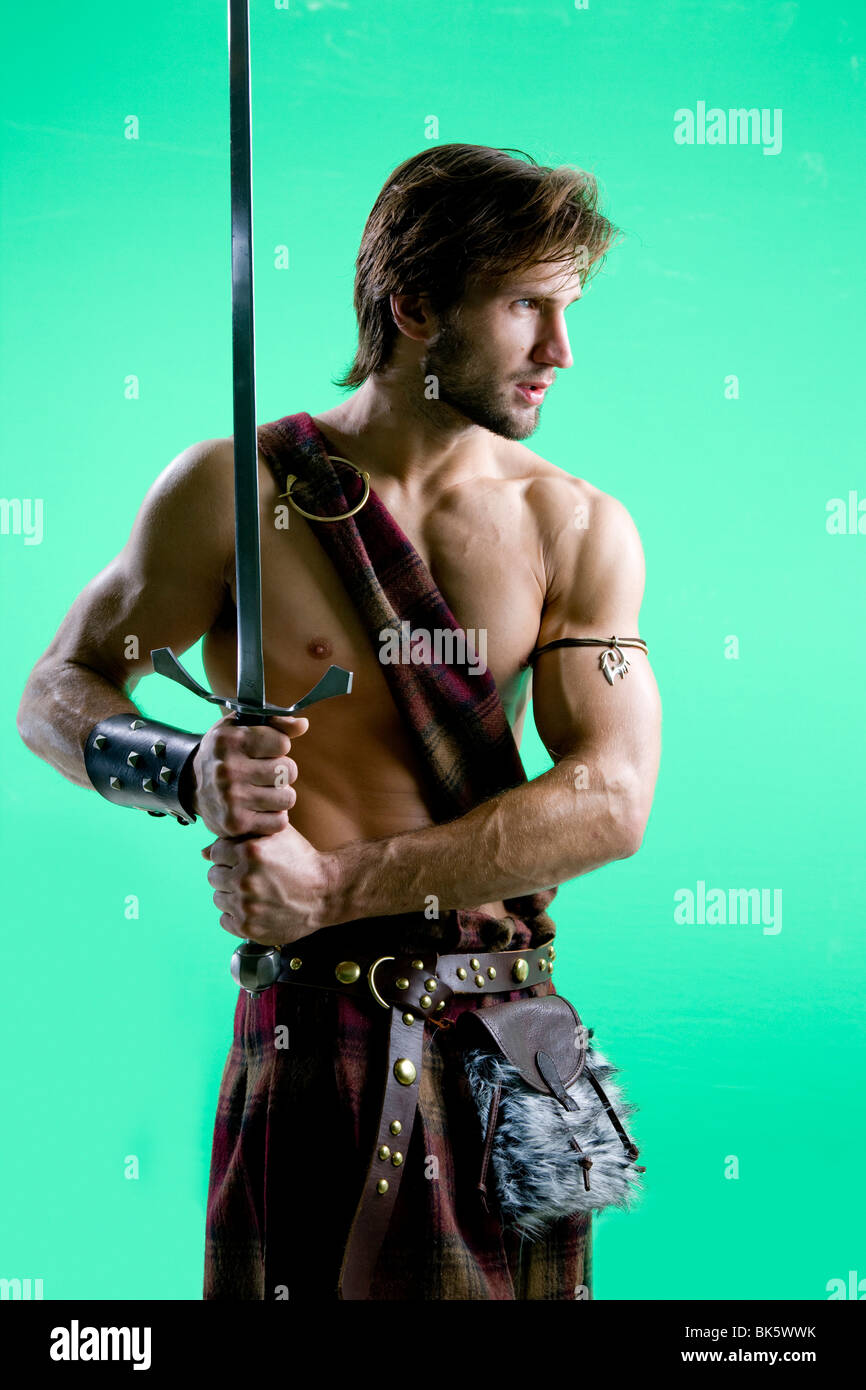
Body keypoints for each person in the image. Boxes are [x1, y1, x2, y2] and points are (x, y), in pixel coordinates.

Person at [17, 143, 662, 1300]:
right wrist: (185, 767)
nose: (560, 353)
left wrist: (333, 885)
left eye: (565, 311)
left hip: (507, 1042)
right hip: (311, 1033)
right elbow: (55, 693)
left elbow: (611, 800)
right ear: (413, 306)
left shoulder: (575, 526)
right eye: (525, 308)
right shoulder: (231, 493)